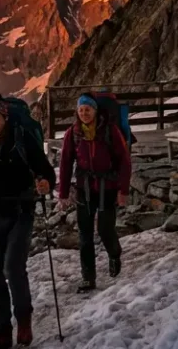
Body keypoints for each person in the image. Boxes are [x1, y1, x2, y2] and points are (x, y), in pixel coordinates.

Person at [0, 95, 57, 349]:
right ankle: (2, 331)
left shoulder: (22, 137)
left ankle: (23, 321)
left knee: (13, 268)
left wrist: (46, 182)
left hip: (21, 211)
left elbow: (46, 170)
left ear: (5, 117)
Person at [56, 93, 131, 293]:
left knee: (106, 229)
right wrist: (63, 193)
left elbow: (124, 160)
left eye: (87, 109)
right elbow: (65, 163)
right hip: (84, 188)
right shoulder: (73, 133)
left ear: (95, 111)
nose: (84, 113)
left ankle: (114, 254)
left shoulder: (110, 131)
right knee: (85, 235)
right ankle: (88, 277)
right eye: (81, 110)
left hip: (107, 187)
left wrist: (123, 190)